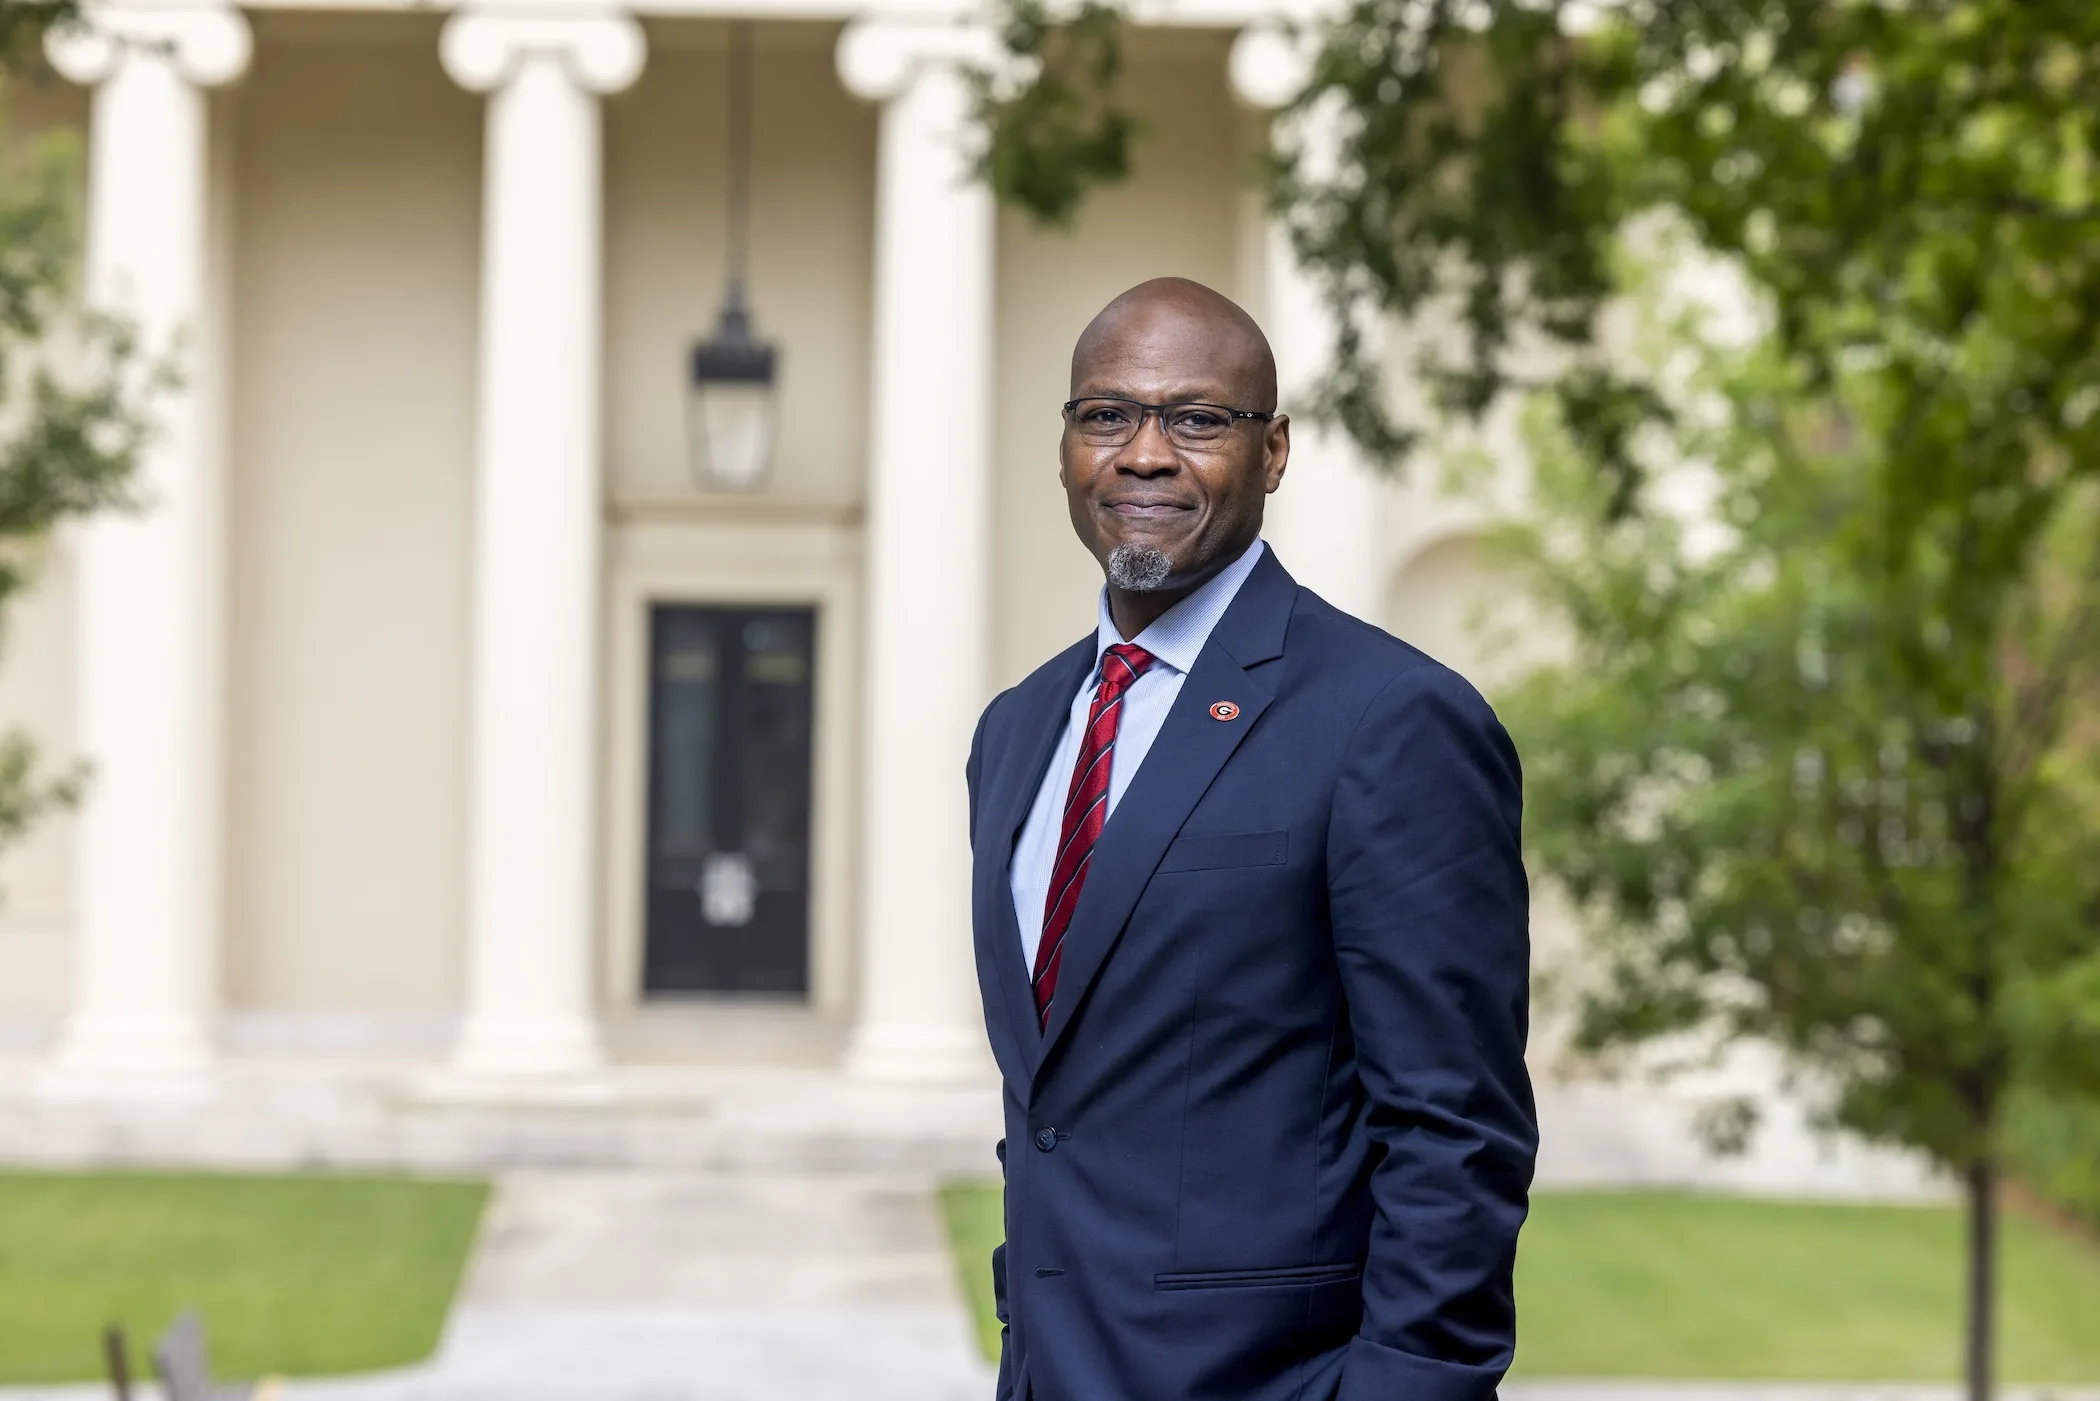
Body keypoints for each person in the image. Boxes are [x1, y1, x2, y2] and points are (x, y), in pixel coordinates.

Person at [965, 277, 1536, 1401]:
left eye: (1196, 419)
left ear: (1273, 452)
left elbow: (1455, 1133)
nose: (1143, 454)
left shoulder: (1390, 721)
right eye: (1107, 415)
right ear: (1066, 449)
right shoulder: (1019, 731)